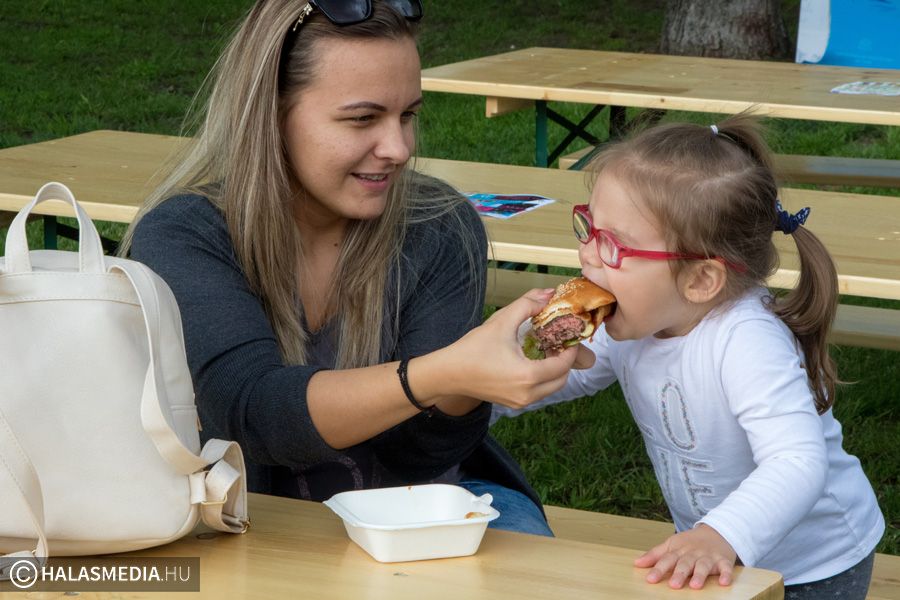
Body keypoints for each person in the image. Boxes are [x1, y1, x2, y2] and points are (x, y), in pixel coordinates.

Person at [120, 0, 589, 536]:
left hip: (427, 509)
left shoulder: (440, 226)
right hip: (239, 513)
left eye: (408, 115)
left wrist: (471, 380)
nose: (398, 147)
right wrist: (447, 371)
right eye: (363, 118)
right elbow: (252, 415)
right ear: (271, 115)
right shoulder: (187, 233)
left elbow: (420, 457)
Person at [492, 115, 885, 597]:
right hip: (715, 553)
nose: (589, 255)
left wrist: (721, 534)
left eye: (614, 246)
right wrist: (480, 388)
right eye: (589, 228)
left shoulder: (745, 340)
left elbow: (797, 461)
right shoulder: (637, 318)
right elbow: (563, 376)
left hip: (814, 563)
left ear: (701, 280)